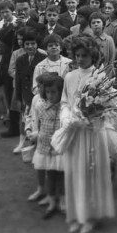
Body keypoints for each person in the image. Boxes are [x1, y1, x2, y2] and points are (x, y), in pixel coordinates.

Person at [60, 35, 117, 233]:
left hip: (92, 133)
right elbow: (64, 101)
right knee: (74, 173)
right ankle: (78, 214)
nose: (80, 59)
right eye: (77, 55)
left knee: (90, 174)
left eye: (84, 55)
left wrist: (94, 115)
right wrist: (67, 117)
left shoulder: (100, 76)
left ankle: (91, 216)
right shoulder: (69, 77)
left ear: (92, 55)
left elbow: (112, 104)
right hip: (74, 132)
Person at [28, 73, 65, 219]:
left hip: (59, 148)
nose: (50, 95)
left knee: (61, 175)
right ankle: (51, 201)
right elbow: (37, 123)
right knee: (50, 175)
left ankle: (62, 200)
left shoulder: (64, 108)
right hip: (45, 146)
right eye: (47, 92)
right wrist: (34, 134)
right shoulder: (40, 105)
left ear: (60, 92)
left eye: (53, 92)